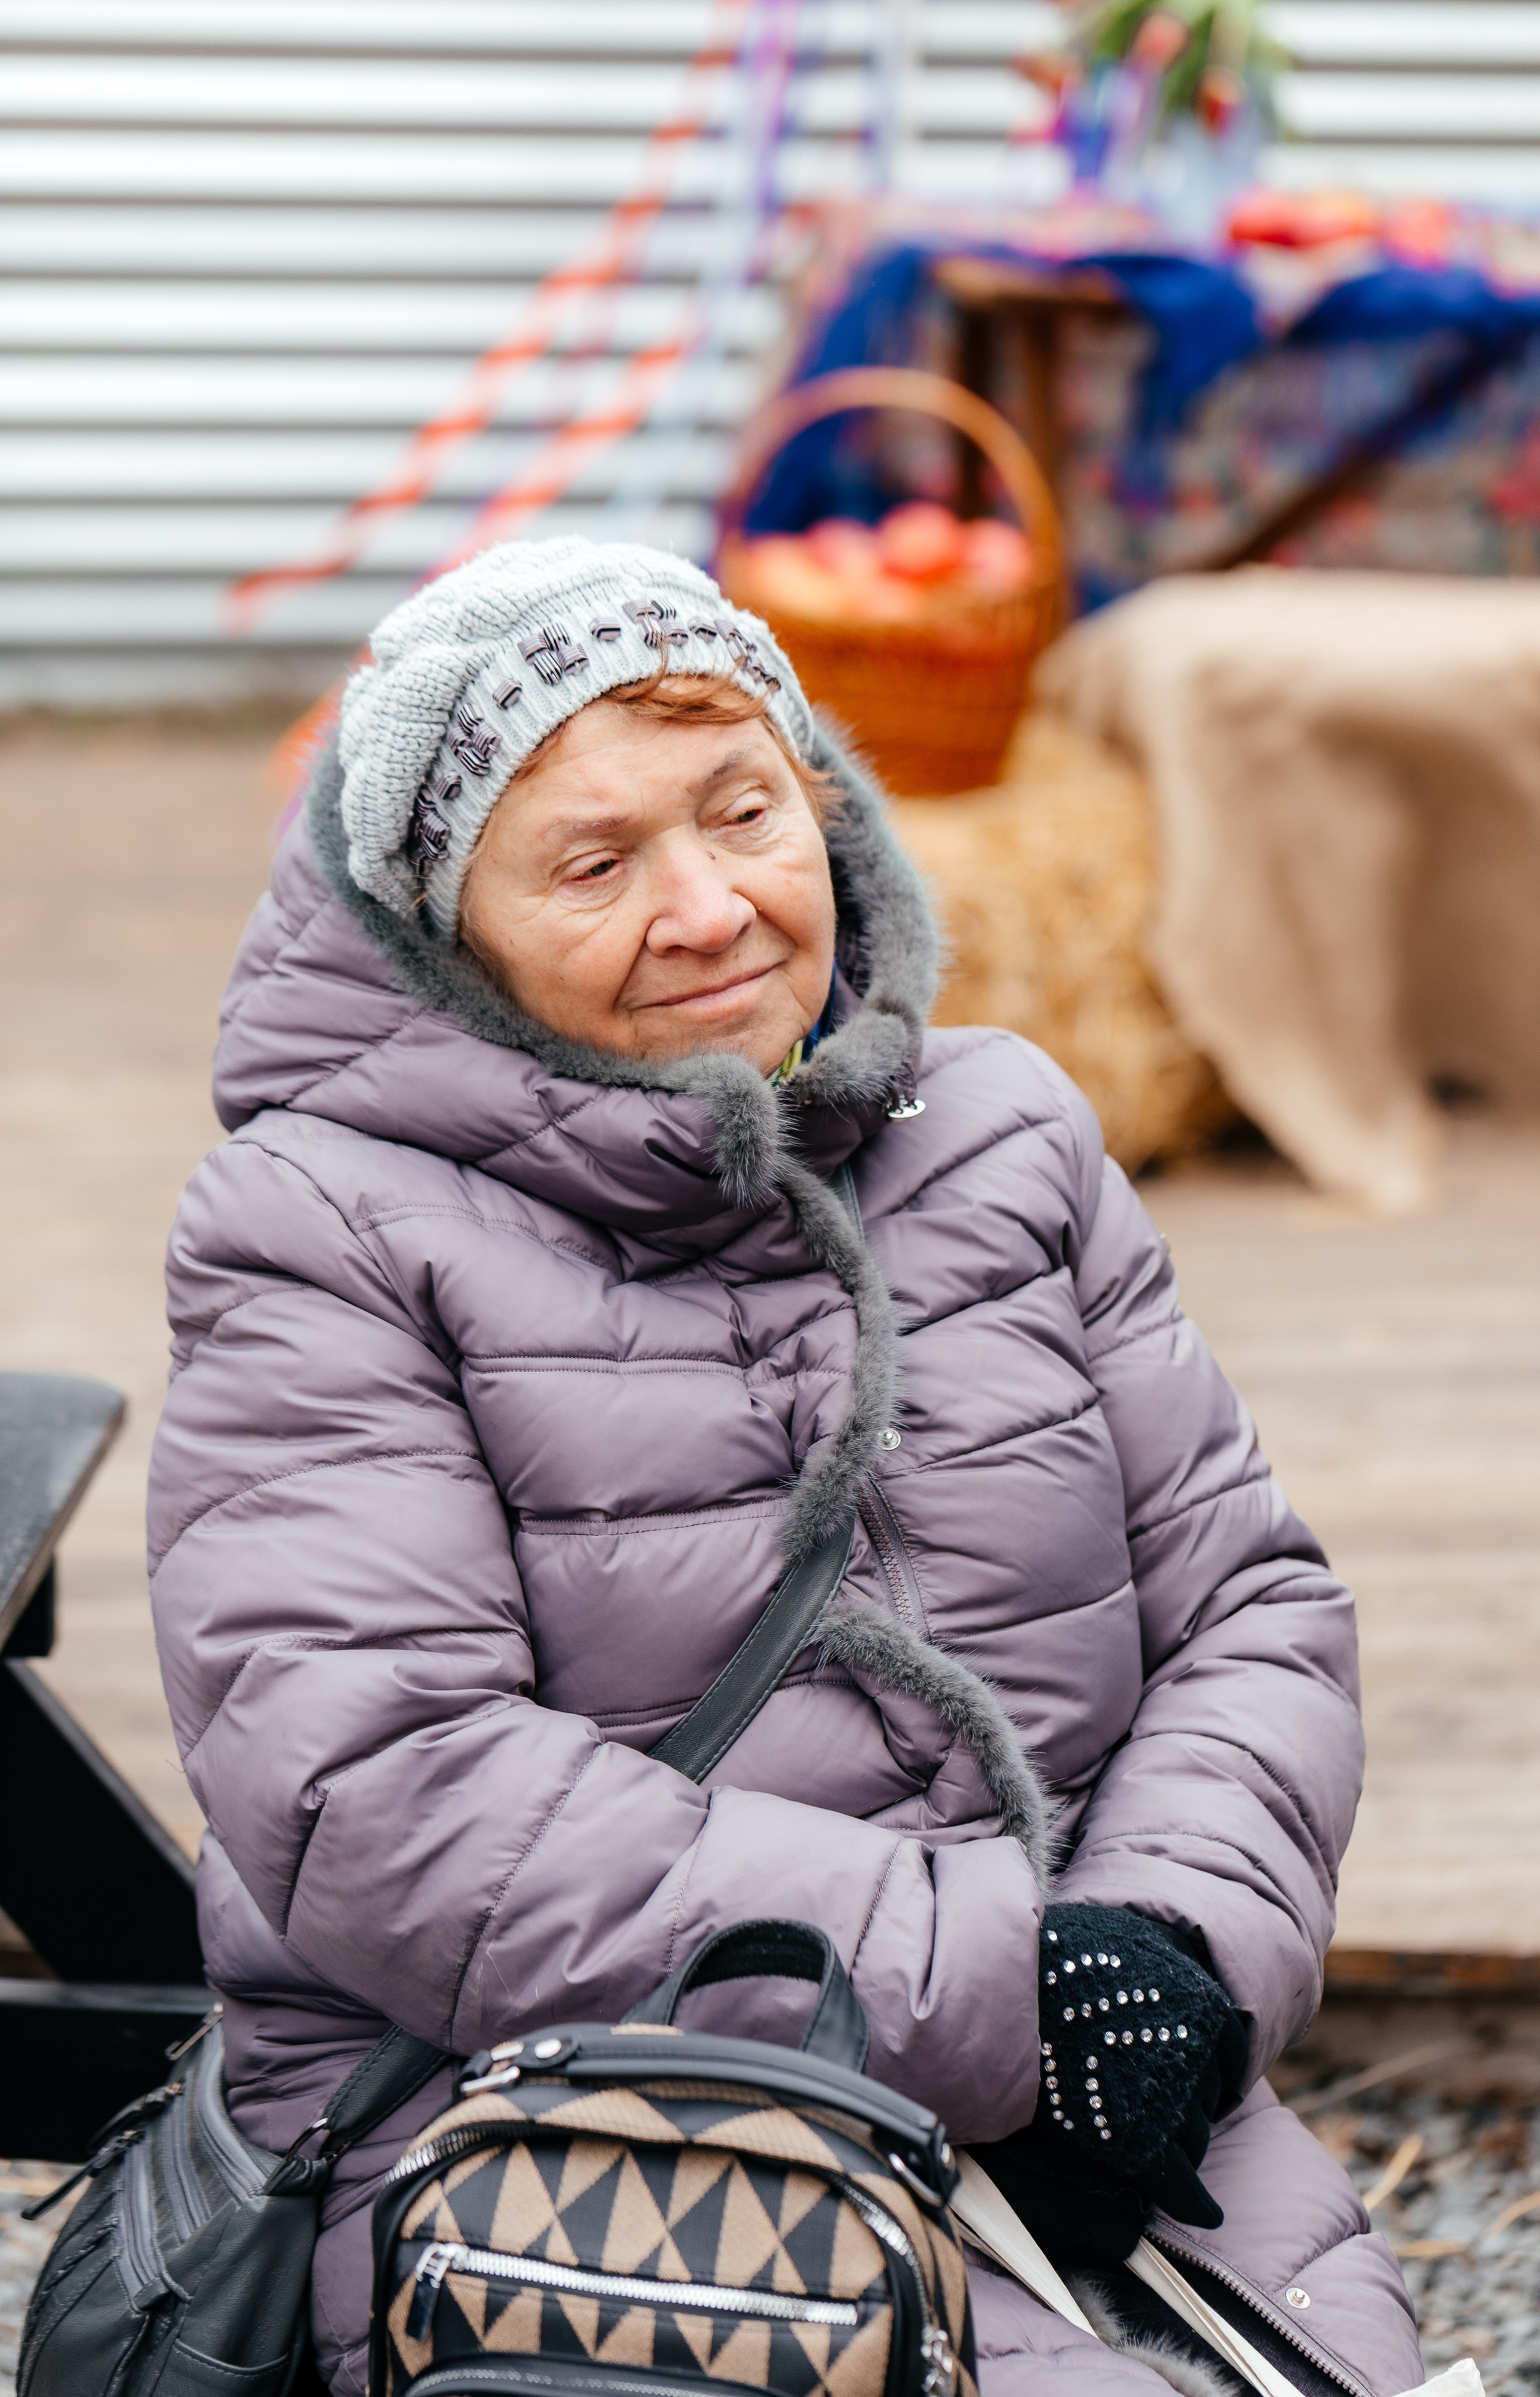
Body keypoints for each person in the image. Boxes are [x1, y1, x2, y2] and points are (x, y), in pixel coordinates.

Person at [149, 537, 1423, 2397]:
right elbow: (384, 1783)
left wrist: (1168, 1952)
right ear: (451, 929)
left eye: (746, 810)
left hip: (1086, 2068)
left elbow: (1248, 1603)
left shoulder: (1003, 1135)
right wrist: (1001, 2003)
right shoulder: (322, 1225)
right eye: (593, 863)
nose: (713, 908)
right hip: (572, 2132)